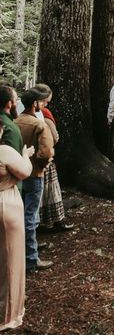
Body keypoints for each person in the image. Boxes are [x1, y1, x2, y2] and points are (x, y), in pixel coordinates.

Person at [15, 88, 54, 273]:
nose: (43, 105)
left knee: (21, 214)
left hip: (17, 174)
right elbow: (46, 151)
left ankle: (21, 252)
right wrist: (41, 164)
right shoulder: (38, 125)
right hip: (34, 174)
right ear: (34, 104)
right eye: (41, 103)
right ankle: (31, 258)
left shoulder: (14, 122)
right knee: (30, 216)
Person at [0, 121, 34, 332]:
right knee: (11, 260)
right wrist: (25, 154)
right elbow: (25, 172)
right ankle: (9, 315)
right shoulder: (3, 151)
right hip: (5, 205)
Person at [33, 84, 73, 232]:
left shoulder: (21, 113)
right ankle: (56, 220)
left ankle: (41, 222)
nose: (47, 104)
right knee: (51, 190)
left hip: (32, 158)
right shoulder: (44, 113)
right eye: (47, 101)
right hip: (45, 157)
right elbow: (53, 135)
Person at [0, 85, 23, 155]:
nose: (17, 103)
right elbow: (14, 160)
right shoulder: (10, 128)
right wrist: (25, 155)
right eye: (16, 100)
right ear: (9, 104)